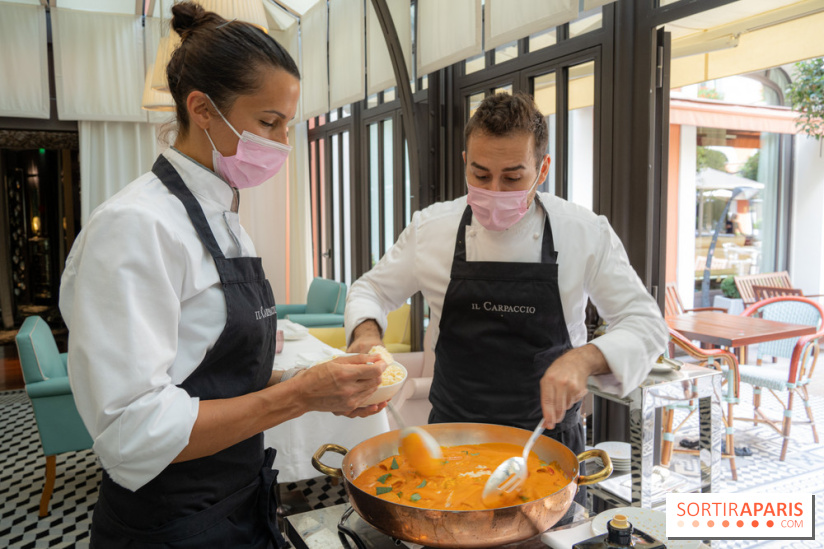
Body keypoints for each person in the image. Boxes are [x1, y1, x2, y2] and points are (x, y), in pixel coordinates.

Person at [59, 4, 385, 547]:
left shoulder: (224, 219)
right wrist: (298, 396)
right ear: (203, 109)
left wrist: (320, 390)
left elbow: (212, 380)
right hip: (172, 523)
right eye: (268, 123)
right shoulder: (135, 226)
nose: (282, 144)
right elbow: (133, 432)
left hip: (241, 500)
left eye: (287, 125)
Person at [345, 92, 668, 501]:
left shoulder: (583, 232)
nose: (494, 190)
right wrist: (367, 336)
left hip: (545, 444)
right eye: (480, 175)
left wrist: (584, 358)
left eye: (512, 178)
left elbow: (647, 324)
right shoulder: (432, 230)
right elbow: (370, 289)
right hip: (450, 441)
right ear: (465, 161)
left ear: (542, 168)